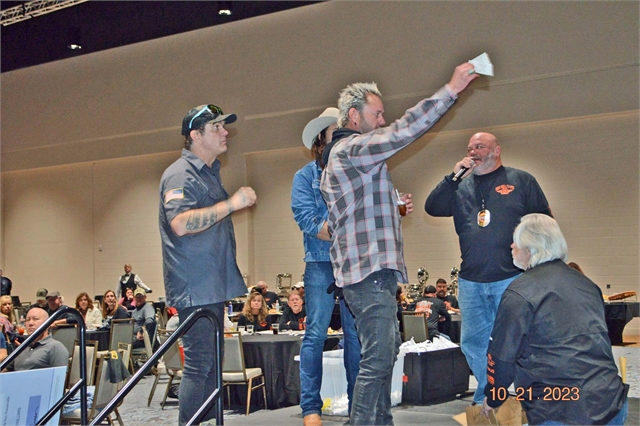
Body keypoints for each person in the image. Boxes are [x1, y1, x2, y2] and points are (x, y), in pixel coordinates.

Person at [320, 62, 477, 424]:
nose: (382, 120)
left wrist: (391, 203)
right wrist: (450, 90)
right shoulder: (351, 150)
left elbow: (352, 213)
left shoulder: (346, 159)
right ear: (354, 116)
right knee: (378, 359)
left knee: (384, 353)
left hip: (368, 273)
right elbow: (402, 131)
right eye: (376, 114)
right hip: (369, 274)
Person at [425, 131, 552, 405]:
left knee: (517, 341)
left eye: (480, 147)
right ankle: (490, 397)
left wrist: (536, 259)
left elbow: (544, 221)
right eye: (470, 148)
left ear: (496, 151)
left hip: (512, 277)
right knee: (473, 342)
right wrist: (453, 177)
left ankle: (525, 397)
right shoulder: (460, 186)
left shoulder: (521, 180)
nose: (473, 152)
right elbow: (432, 207)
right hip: (471, 280)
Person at [159, 103, 256, 425]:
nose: (225, 132)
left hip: (210, 286)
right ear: (195, 135)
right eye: (216, 127)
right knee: (200, 365)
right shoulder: (180, 174)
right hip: (195, 287)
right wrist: (232, 204)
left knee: (212, 366)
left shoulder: (209, 173)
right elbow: (180, 223)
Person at [482, 214, 628, 425]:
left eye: (515, 241)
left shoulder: (520, 293)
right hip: (610, 401)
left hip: (560, 410)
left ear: (528, 249)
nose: (511, 246)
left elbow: (502, 355)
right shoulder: (588, 285)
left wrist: (493, 397)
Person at [292, 107, 361, 426]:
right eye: (336, 132)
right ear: (322, 138)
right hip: (320, 263)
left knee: (355, 336)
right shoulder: (305, 177)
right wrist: (346, 230)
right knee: (316, 334)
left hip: (353, 262)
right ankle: (310, 409)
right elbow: (307, 220)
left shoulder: (355, 172)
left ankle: (358, 406)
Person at [2, 307, 69, 372]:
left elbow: (60, 377)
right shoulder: (22, 348)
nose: (30, 323)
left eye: (36, 319)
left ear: (48, 323)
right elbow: (3, 370)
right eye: (28, 320)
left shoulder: (56, 347)